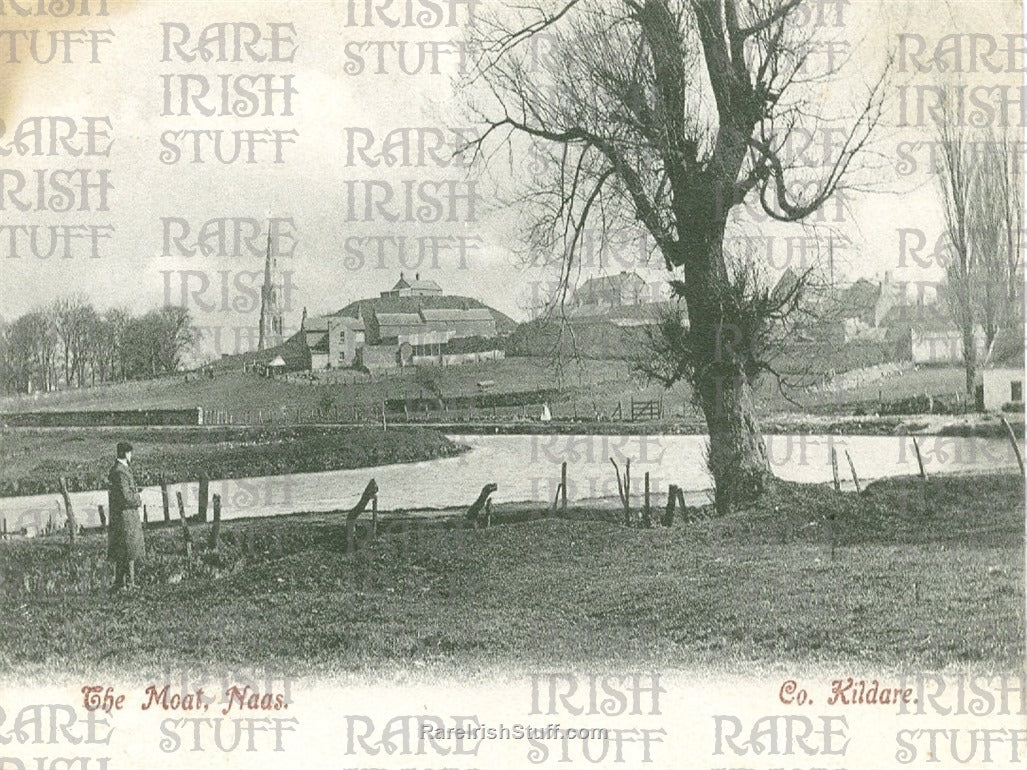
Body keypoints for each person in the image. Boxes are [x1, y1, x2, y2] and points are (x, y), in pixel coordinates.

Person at [107, 441, 145, 590]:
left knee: (125, 550)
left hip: (125, 516)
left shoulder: (121, 470)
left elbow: (126, 491)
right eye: (130, 453)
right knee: (128, 550)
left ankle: (123, 583)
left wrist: (135, 489)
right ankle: (128, 583)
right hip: (125, 517)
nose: (131, 456)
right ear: (126, 454)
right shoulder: (120, 472)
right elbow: (125, 497)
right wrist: (138, 498)